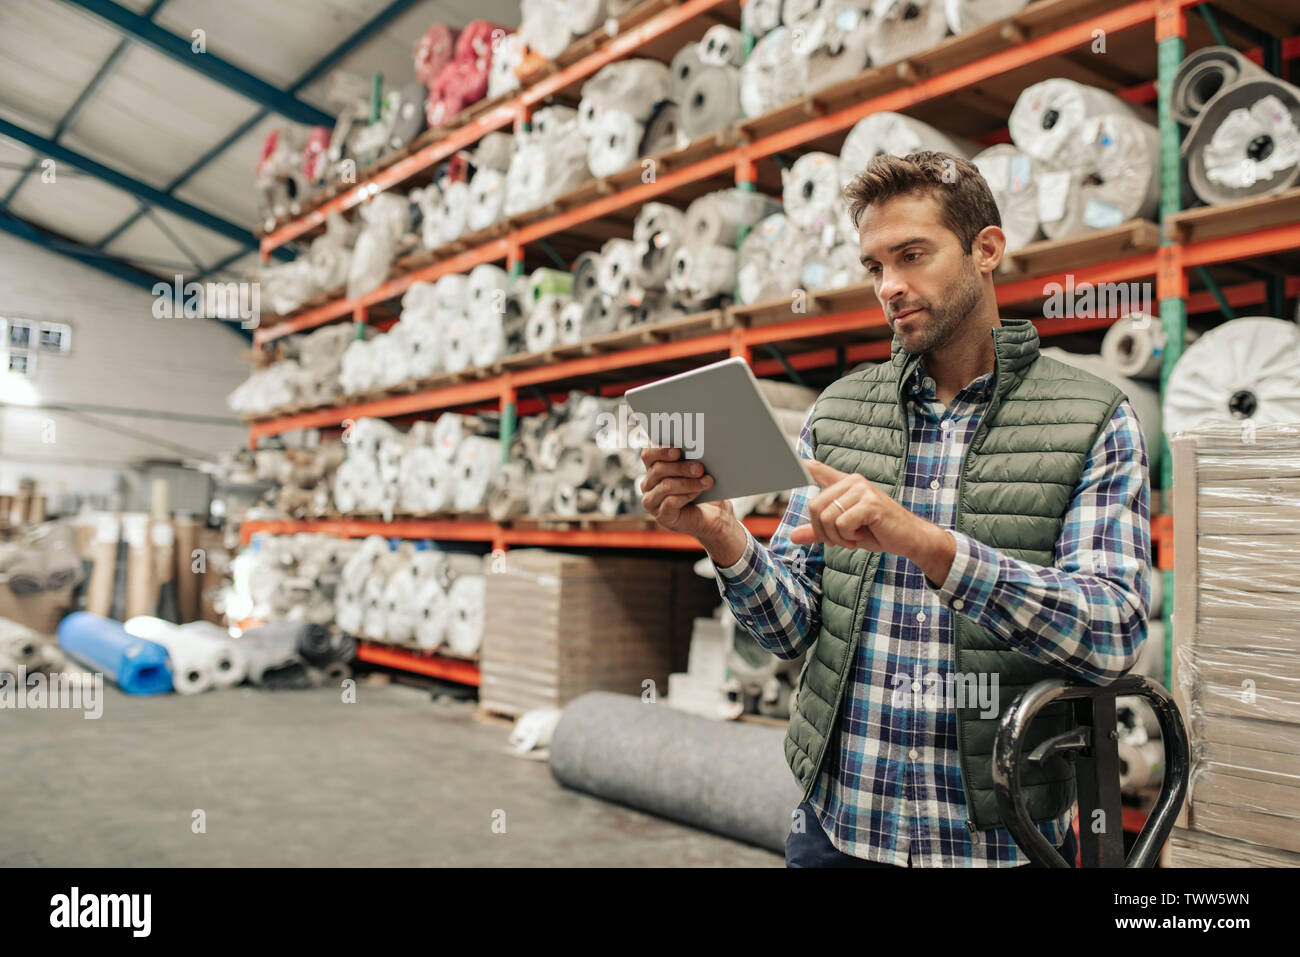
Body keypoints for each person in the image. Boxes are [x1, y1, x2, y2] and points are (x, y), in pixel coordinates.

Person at [639, 151, 1150, 867]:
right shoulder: (839, 413)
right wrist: (724, 537)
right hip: (840, 831)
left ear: (987, 250)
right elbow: (789, 629)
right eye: (875, 266)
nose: (891, 287)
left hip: (998, 843)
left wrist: (933, 547)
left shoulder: (1092, 418)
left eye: (912, 255)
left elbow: (1114, 630)